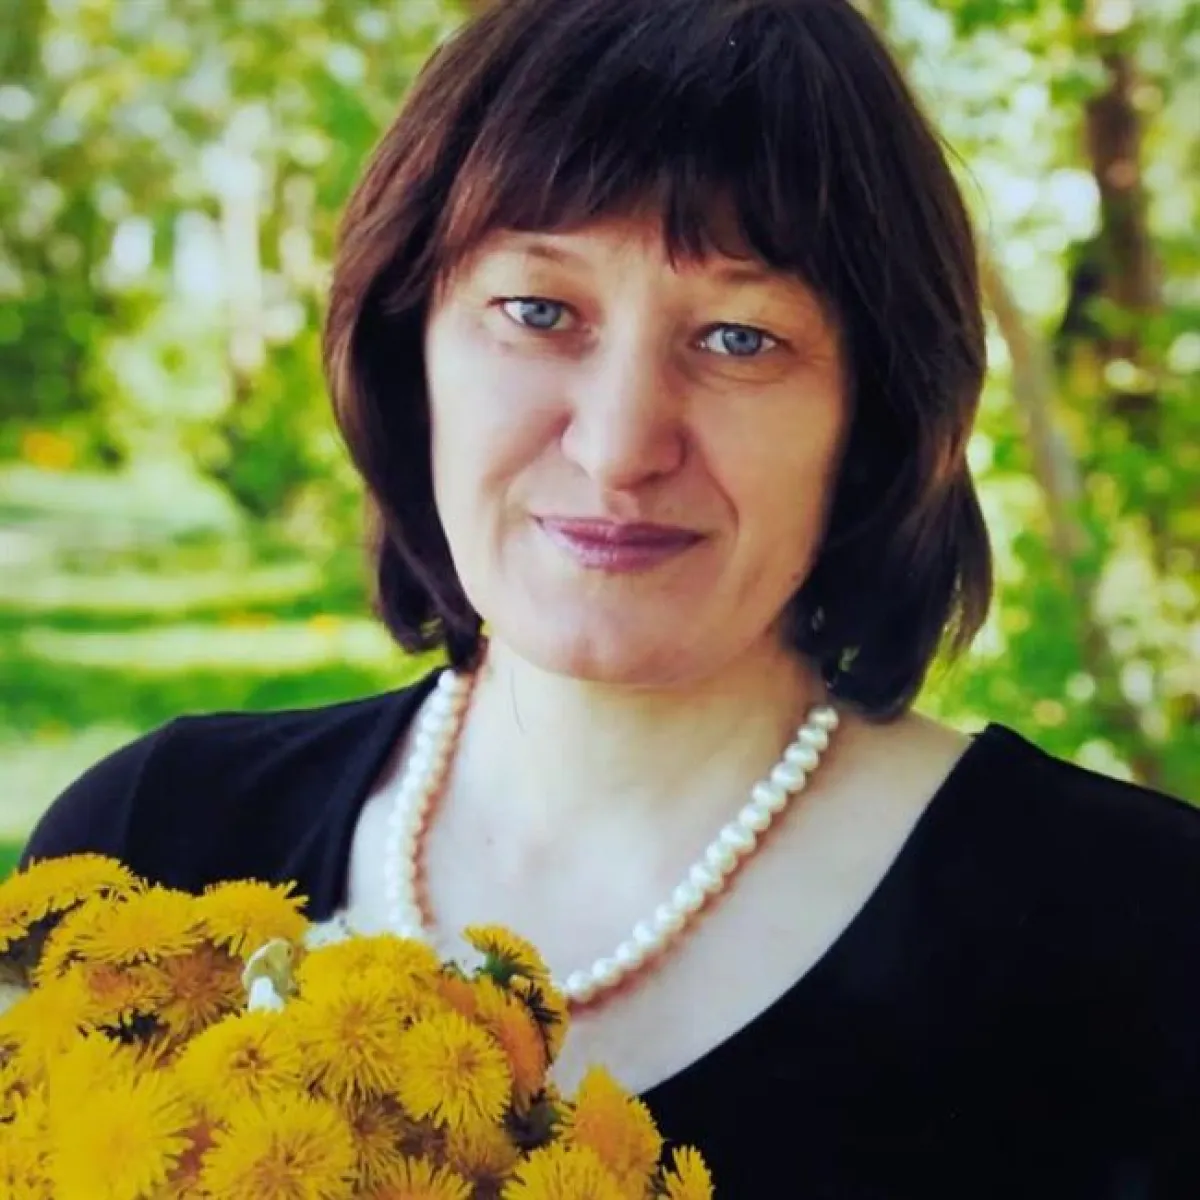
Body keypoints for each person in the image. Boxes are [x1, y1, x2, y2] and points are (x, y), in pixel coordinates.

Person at [20, 0, 1200, 1195]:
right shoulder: (148, 857)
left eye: (739, 338)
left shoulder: (1145, 941)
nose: (622, 444)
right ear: (409, 351)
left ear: (874, 415)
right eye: (539, 312)